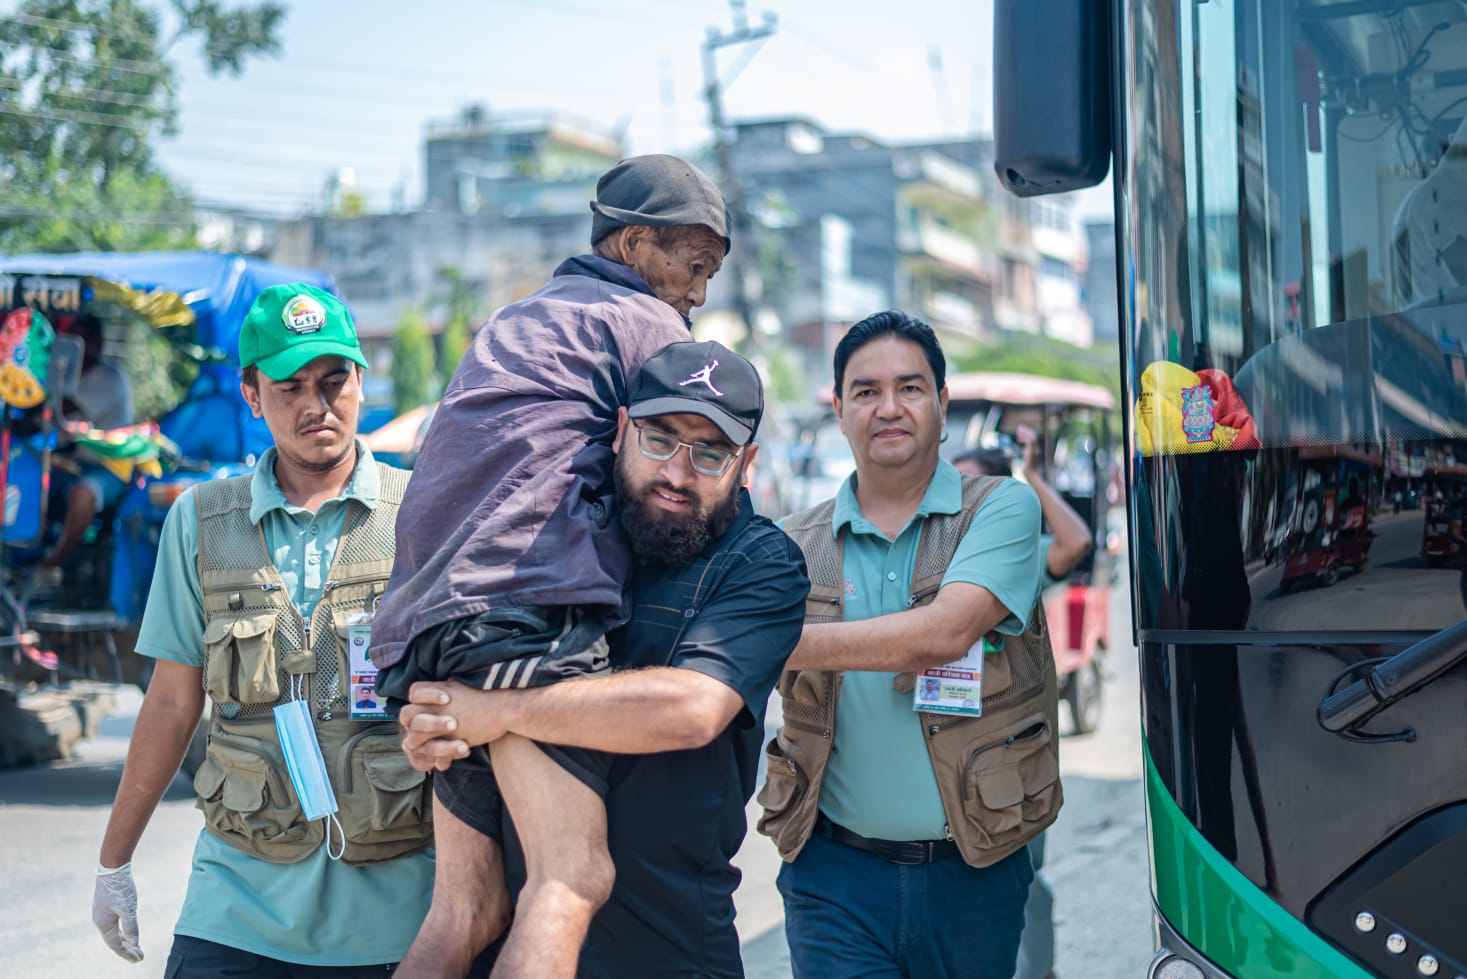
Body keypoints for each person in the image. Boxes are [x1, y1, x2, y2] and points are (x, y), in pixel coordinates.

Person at [370, 155, 733, 978]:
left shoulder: (517, 319)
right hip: (523, 605)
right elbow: (676, 474)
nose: (698, 293)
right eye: (694, 265)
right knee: (571, 876)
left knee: (468, 906)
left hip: (428, 620)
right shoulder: (646, 327)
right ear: (638, 244)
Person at [398, 340, 809, 978]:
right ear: (621, 431)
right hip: (515, 948)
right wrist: (441, 729)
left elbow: (692, 710)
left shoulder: (761, 564)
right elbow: (460, 680)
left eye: (710, 452)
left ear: (746, 464)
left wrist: (499, 711)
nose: (677, 471)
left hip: (669, 951)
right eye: (660, 438)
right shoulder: (547, 539)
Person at [90, 284, 435, 975]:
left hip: (398, 913)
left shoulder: (421, 514)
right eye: (290, 386)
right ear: (252, 395)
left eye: (334, 381)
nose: (317, 404)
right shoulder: (201, 521)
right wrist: (113, 862)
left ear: (361, 382)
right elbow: (169, 700)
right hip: (238, 905)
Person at [757, 309, 1061, 979]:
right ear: (839, 410)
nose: (887, 407)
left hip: (973, 868)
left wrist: (774, 642)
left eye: (910, 387)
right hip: (832, 873)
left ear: (942, 403)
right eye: (865, 391)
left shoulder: (1000, 508)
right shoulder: (789, 542)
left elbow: (943, 632)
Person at [953, 425, 1093, 979]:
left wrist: (1032, 479)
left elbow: (1075, 542)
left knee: (1021, 877)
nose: (957, 500)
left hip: (1008, 754)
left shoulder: (1016, 560)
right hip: (947, 749)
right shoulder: (929, 561)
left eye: (972, 488)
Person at [42, 312, 134, 568]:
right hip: (72, 464)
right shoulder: (67, 376)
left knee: (84, 494)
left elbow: (62, 407)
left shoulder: (109, 378)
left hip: (110, 469)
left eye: (78, 340)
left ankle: (54, 563)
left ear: (95, 344)